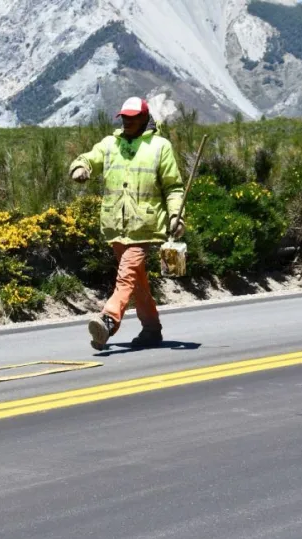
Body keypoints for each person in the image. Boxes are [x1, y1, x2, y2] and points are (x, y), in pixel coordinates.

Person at [69, 97, 186, 350]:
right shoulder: (110, 144)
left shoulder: (160, 147)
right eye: (124, 117)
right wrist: (80, 167)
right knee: (137, 281)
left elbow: (174, 187)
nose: (128, 122)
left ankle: (109, 320)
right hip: (115, 225)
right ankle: (152, 330)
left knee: (126, 277)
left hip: (144, 226)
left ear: (145, 118)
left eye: (133, 118)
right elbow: (90, 157)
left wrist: (176, 215)